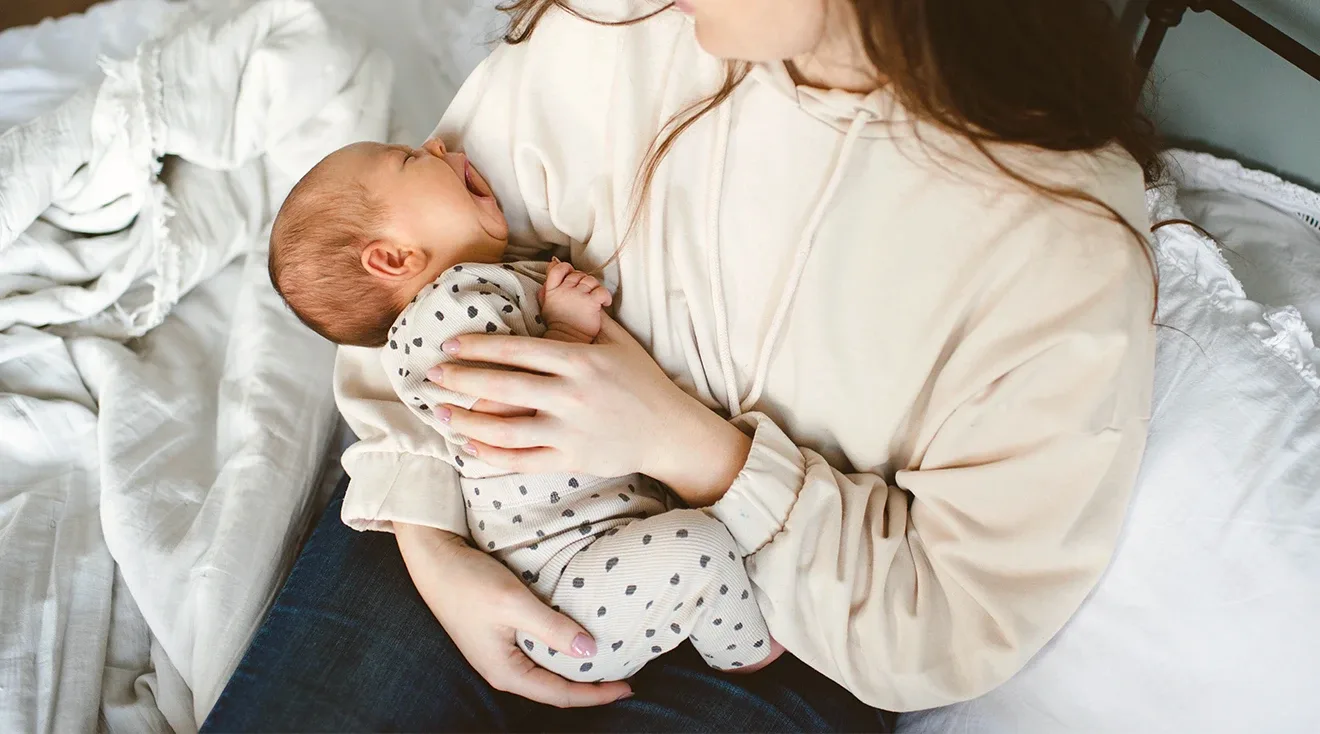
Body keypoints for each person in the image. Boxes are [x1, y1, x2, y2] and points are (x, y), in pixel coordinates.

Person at [203, 0, 1159, 730]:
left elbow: (949, 615)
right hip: (466, 506)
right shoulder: (619, 22)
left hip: (775, 626)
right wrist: (432, 545)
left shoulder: (1058, 247)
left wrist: (690, 446)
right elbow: (415, 306)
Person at [264, 139, 781, 682]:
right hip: (566, 583)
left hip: (591, 558)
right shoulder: (446, 307)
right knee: (700, 550)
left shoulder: (470, 292)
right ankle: (747, 651)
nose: (437, 144)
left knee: (717, 531)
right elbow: (508, 412)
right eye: (411, 160)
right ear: (393, 257)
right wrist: (565, 328)